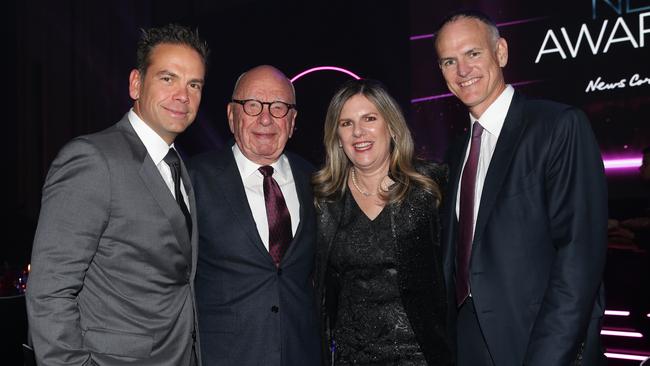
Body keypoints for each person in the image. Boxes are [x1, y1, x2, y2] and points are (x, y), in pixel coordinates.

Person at [26, 24, 208, 366]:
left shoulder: (179, 164)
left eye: (194, 84)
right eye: (168, 78)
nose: (183, 95)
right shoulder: (92, 159)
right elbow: (49, 291)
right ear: (136, 84)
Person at [434, 10, 608, 366]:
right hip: (469, 347)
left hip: (538, 345)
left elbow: (578, 259)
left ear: (501, 53)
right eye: (449, 61)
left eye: (473, 53)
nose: (462, 70)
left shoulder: (557, 126)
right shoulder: (455, 152)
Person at [313, 79, 452, 365]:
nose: (358, 132)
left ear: (391, 126)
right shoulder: (322, 200)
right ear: (337, 137)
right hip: (353, 358)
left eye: (369, 118)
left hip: (423, 356)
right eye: (346, 123)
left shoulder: (430, 187)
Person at [190, 65, 320, 365]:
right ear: (231, 115)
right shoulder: (194, 178)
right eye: (252, 105)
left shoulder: (317, 182)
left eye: (278, 107)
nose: (265, 118)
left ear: (292, 120)